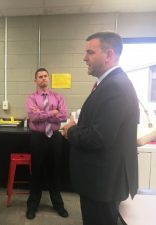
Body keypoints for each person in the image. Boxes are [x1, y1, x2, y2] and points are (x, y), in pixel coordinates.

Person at [62, 32, 139, 225]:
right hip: (101, 182)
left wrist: (70, 130)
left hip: (102, 184)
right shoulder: (108, 84)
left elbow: (99, 137)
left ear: (109, 55)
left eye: (90, 52)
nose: (84, 58)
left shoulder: (115, 86)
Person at [25, 68, 69, 220]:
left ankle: (58, 205)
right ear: (35, 80)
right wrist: (52, 112)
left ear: (48, 79)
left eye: (45, 76)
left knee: (55, 172)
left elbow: (64, 115)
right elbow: (33, 117)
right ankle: (32, 206)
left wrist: (43, 114)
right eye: (40, 77)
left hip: (55, 138)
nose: (43, 79)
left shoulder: (58, 96)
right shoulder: (31, 98)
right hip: (38, 137)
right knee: (36, 172)